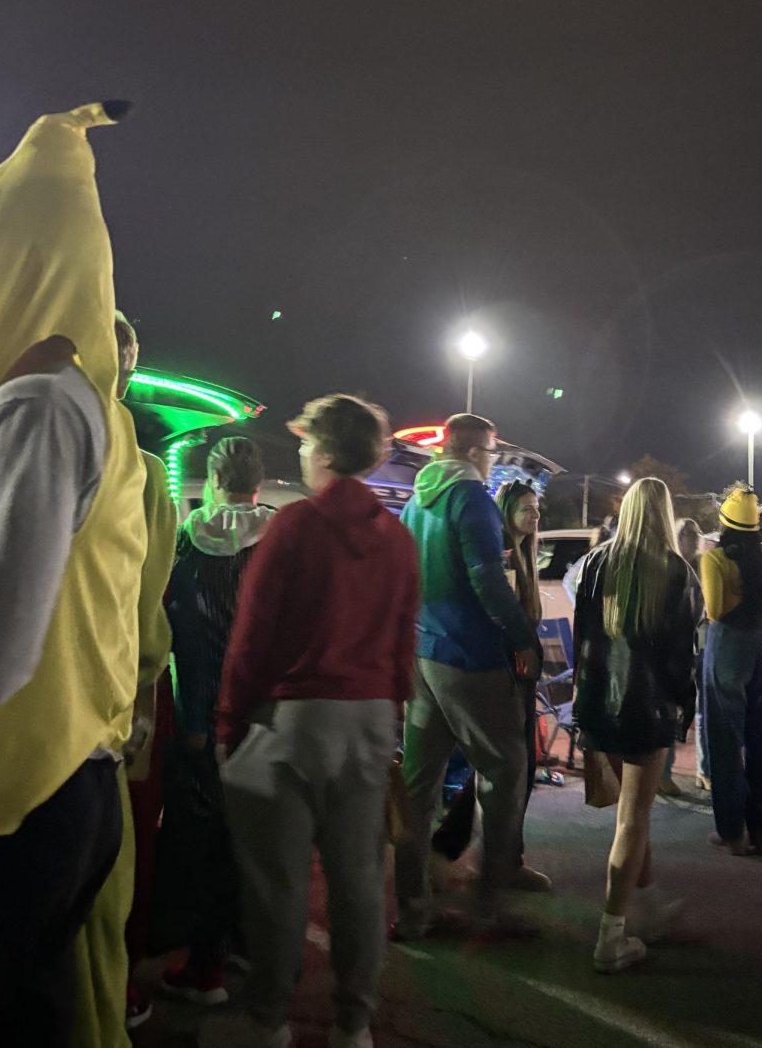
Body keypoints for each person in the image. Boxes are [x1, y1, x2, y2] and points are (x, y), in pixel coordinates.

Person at [0, 102, 148, 1047]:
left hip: (1, 808)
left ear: (29, 253)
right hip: (47, 794)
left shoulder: (36, 406)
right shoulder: (77, 396)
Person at [201, 395, 419, 1048]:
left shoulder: (294, 528)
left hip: (295, 722)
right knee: (358, 884)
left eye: (304, 444)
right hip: (371, 718)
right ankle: (354, 1026)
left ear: (323, 451)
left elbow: (253, 640)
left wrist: (227, 727)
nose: (299, 454)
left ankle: (268, 1021)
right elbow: (403, 637)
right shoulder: (396, 537)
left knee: (279, 886)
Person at [70, 312, 178, 1046]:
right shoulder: (139, 464)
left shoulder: (73, 439)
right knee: (112, 860)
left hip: (95, 699)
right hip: (124, 694)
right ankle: (118, 996)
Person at [393, 414, 540, 940]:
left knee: (418, 784)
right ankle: (489, 903)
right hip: (471, 657)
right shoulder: (471, 497)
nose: (494, 463)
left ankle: (413, 905)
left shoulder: (417, 499)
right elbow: (484, 579)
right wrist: (522, 635)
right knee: (505, 771)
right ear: (478, 451)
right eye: (493, 453)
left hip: (424, 653)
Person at [155, 436, 276, 1005]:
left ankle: (205, 964)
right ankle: (254, 942)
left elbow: (181, 634)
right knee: (259, 830)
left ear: (210, 474)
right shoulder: (279, 536)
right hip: (267, 711)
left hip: (202, 709)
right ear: (259, 476)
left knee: (205, 836)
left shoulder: (187, 538)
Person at [573, 478, 703, 972]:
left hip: (599, 704)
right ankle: (611, 935)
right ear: (665, 515)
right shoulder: (675, 572)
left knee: (633, 815)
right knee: (633, 818)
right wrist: (683, 709)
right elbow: (680, 658)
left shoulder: (598, 563)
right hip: (645, 708)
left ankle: (645, 907)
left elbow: (585, 633)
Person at [427, 479, 552, 891]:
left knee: (509, 769)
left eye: (536, 508)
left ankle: (474, 852)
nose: (534, 516)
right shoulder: (499, 553)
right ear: (506, 512)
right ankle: (488, 866)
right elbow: (495, 606)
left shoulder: (524, 551)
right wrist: (520, 648)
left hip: (517, 667)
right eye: (526, 509)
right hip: (501, 666)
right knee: (509, 768)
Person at [699, 489, 762, 855]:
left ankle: (732, 832)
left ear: (725, 524)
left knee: (726, 740)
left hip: (728, 647)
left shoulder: (715, 559)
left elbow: (715, 610)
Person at [658, 517, 705, 796]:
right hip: (669, 648)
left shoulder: (699, 564)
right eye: (687, 534)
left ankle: (702, 770)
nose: (692, 538)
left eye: (694, 533)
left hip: (691, 646)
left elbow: (701, 604)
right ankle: (662, 773)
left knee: (687, 709)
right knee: (669, 710)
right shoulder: (668, 564)